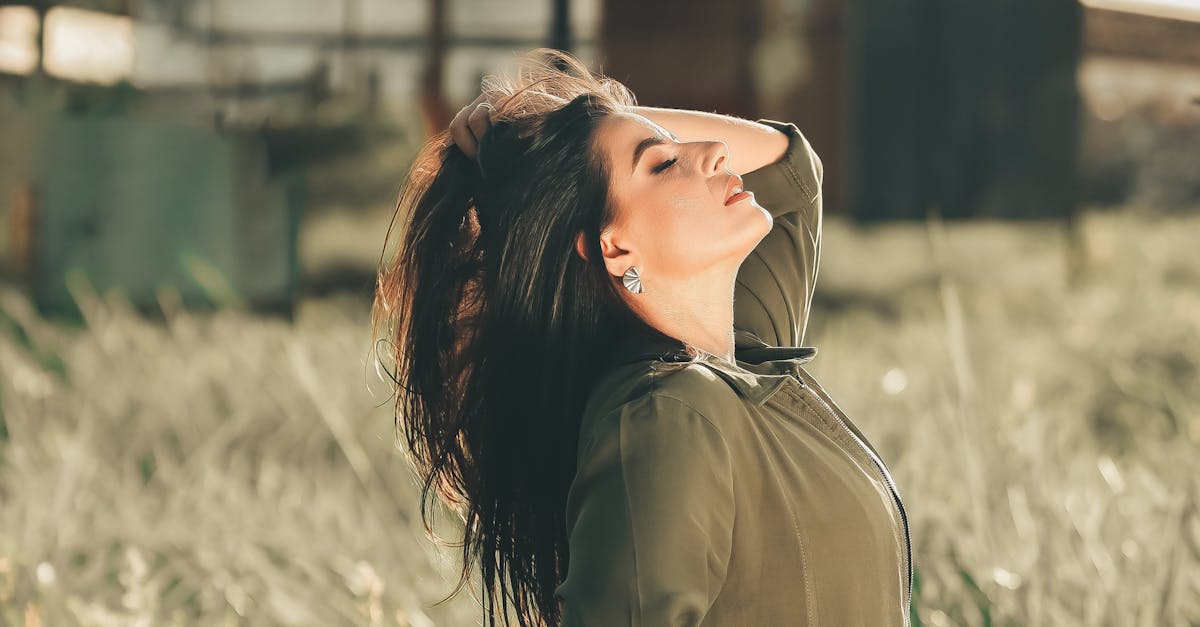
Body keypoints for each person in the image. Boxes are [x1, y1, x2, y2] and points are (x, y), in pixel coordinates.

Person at [371, 48, 912, 627]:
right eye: (661, 163)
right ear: (613, 247)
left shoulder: (742, 363)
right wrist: (577, 135)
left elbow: (787, 167)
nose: (713, 153)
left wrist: (569, 126)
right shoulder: (668, 418)